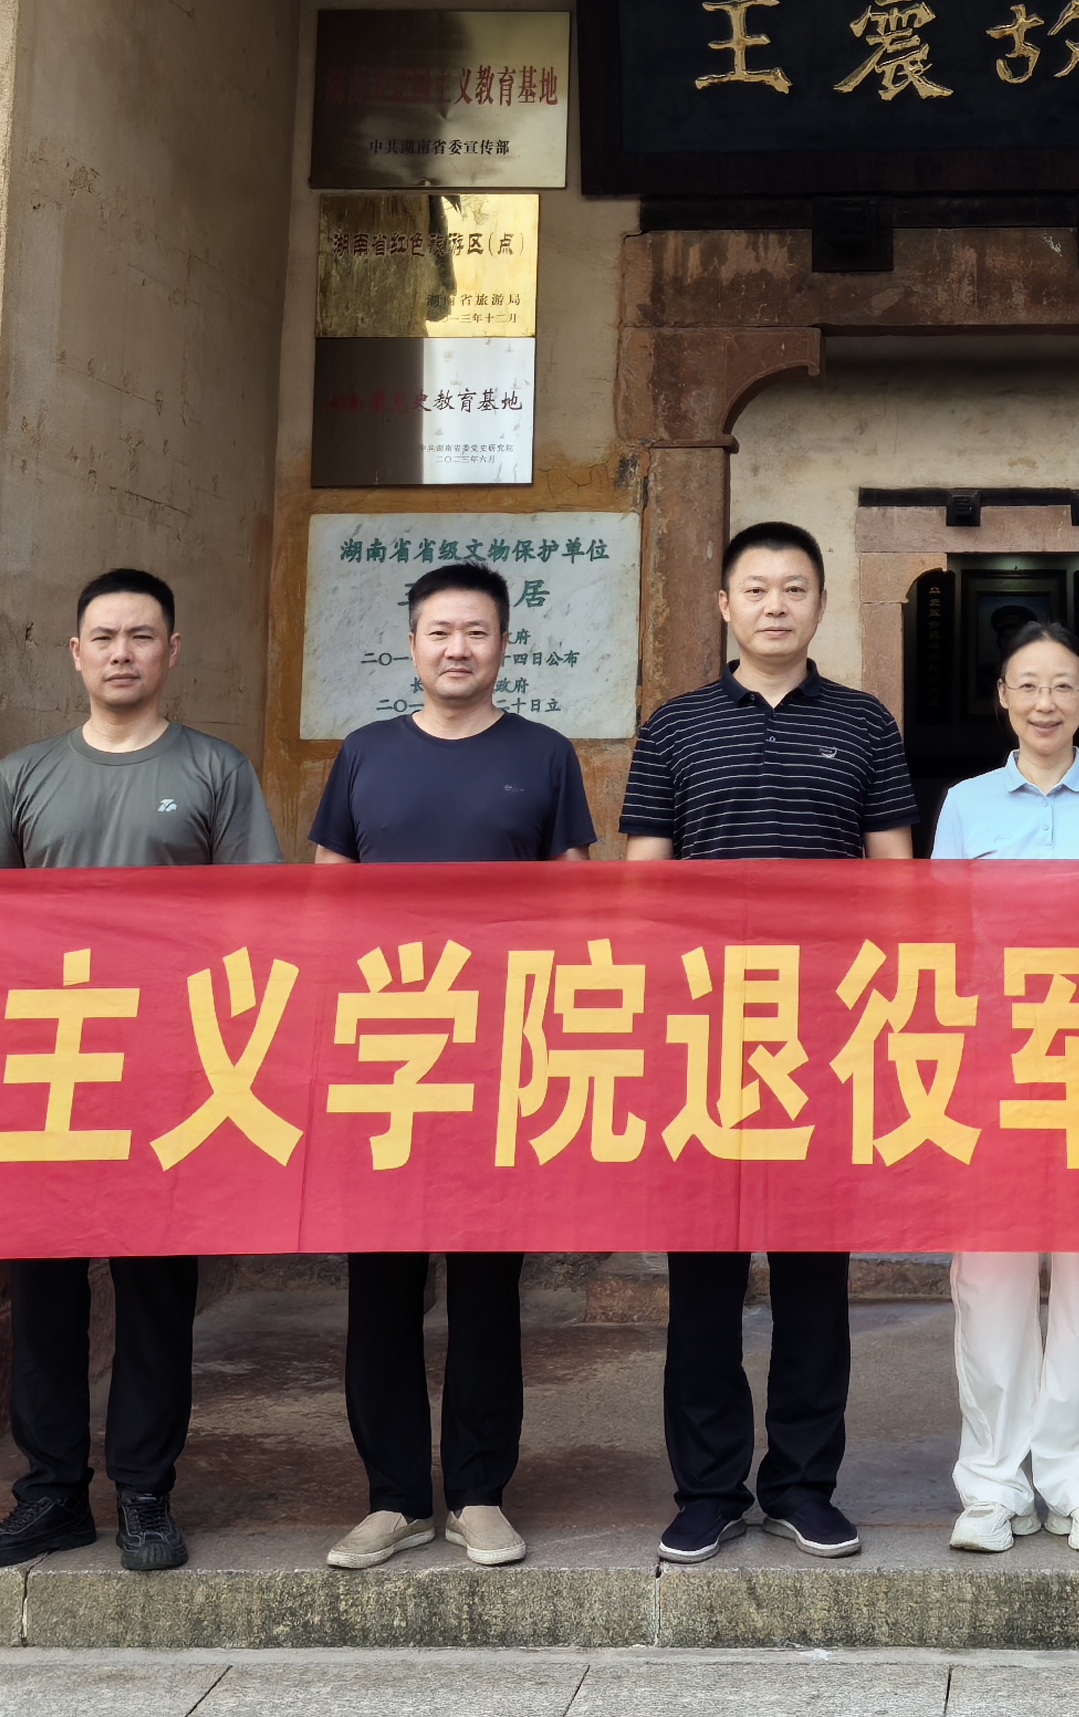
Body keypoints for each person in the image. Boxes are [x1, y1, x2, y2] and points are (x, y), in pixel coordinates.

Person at [0, 567, 284, 1581]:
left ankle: (145, 1491)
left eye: (142, 636)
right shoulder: (22, 778)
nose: (122, 653)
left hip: (169, 1073)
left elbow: (258, 923)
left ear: (171, 652)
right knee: (43, 1292)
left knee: (155, 1292)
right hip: (48, 1073)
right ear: (76, 654)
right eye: (104, 637)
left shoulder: (216, 772)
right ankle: (50, 1493)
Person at [619, 521, 917, 1563]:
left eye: (794, 588)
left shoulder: (865, 723)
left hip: (824, 1040)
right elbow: (644, 887)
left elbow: (895, 886)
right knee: (702, 1277)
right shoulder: (676, 727)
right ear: (724, 606)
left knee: (812, 1278)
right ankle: (707, 1488)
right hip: (703, 1035)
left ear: (820, 605)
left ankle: (800, 1484)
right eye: (756, 588)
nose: (775, 605)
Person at [309, 559, 599, 1574]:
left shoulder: (544, 756)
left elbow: (575, 908)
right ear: (411, 644)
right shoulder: (364, 754)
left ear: (504, 645)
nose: (456, 649)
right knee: (380, 1287)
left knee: (486, 1288)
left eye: (475, 632)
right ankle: (392, 1498)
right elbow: (325, 901)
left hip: (498, 1055)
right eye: (439, 632)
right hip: (384, 1053)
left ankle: (479, 1493)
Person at [929, 618, 1079, 1557]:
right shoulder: (965, 804)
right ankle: (993, 1484)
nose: (1044, 703)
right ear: (1002, 697)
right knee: (990, 1275)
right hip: (993, 1062)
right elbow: (940, 939)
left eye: (1063, 684)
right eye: (1027, 684)